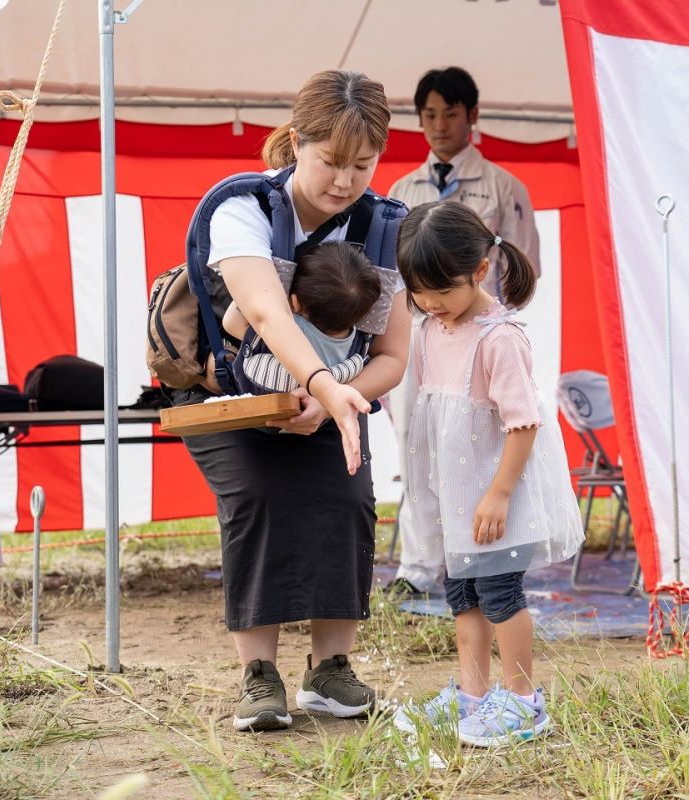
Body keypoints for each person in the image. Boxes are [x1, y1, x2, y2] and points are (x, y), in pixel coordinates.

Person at [172, 69, 410, 732]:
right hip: (229, 394)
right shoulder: (243, 209)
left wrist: (337, 398)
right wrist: (323, 385)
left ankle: (331, 672)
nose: (344, 181)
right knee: (257, 495)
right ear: (297, 142)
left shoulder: (385, 228)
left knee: (349, 496)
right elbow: (267, 315)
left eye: (362, 165)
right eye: (331, 161)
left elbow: (391, 357)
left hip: (333, 397)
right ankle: (259, 675)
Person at [390, 202, 581, 747]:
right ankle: (472, 697)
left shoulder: (499, 339)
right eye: (417, 292)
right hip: (457, 499)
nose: (429, 304)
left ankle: (523, 702)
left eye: (441, 292)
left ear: (478, 272)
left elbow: (524, 425)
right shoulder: (430, 329)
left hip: (494, 500)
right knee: (463, 597)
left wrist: (498, 496)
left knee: (500, 597)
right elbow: (433, 412)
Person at [385, 66, 542, 598]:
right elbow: (391, 275)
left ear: (472, 116)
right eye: (429, 114)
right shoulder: (402, 189)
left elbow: (525, 267)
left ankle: (483, 557)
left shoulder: (504, 188)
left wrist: (493, 329)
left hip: (479, 341)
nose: (439, 125)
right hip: (420, 338)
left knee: (480, 444)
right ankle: (418, 567)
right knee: (418, 444)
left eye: (450, 113)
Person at [223, 241, 381, 393]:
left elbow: (230, 323)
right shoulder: (356, 339)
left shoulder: (287, 327)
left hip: (266, 402)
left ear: (295, 302)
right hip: (321, 410)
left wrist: (258, 285)